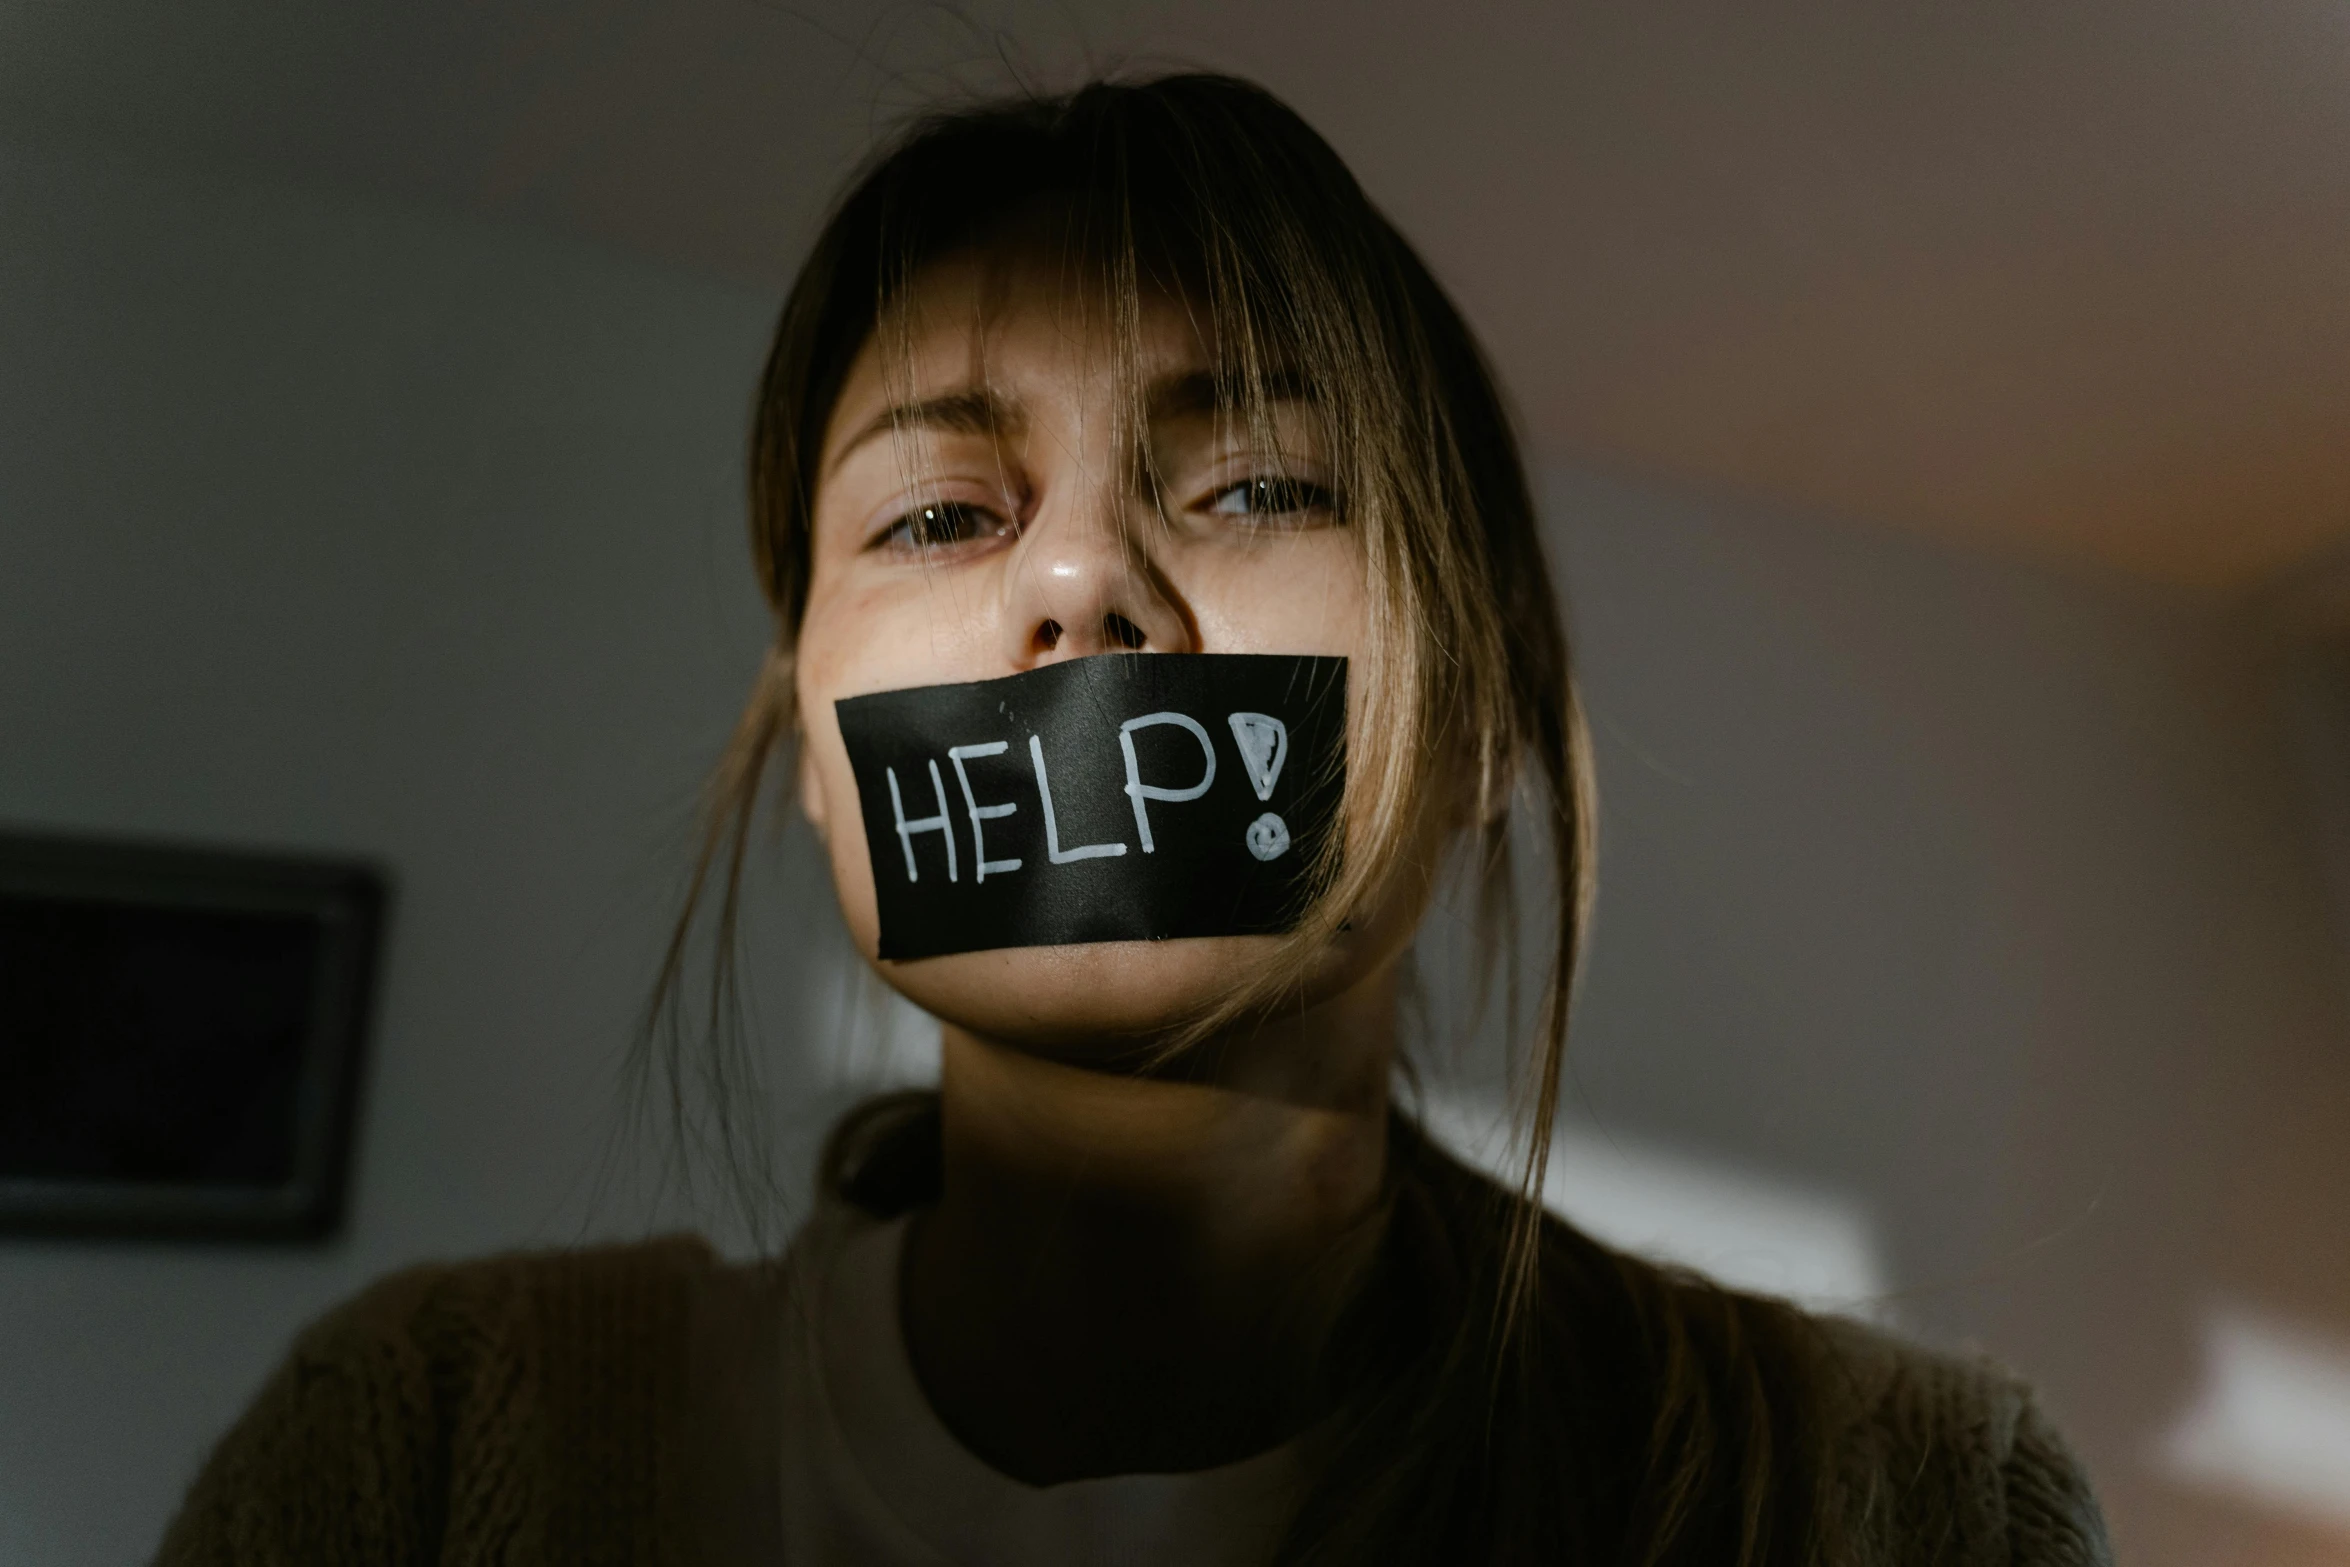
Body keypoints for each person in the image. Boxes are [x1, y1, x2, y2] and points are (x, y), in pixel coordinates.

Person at [156, 74, 2112, 1566]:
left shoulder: (1917, 1508)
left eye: (1255, 486)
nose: (1081, 587)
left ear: (1490, 710)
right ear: (811, 751)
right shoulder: (409, 1452)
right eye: (940, 515)